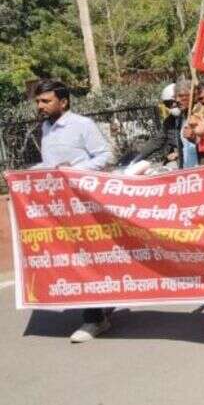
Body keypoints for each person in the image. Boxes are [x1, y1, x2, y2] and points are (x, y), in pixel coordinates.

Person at [31, 79, 113, 343]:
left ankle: (95, 319)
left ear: (63, 102)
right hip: (59, 205)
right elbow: (50, 164)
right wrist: (27, 173)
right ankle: (101, 305)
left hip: (83, 204)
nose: (40, 106)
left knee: (84, 257)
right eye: (38, 101)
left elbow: (105, 156)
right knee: (72, 256)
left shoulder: (82, 125)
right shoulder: (46, 128)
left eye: (46, 101)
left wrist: (74, 171)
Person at [133, 80, 194, 168]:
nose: (173, 105)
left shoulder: (194, 115)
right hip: (183, 163)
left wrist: (177, 153)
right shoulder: (170, 121)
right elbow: (157, 141)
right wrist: (137, 158)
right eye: (168, 104)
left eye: (173, 102)